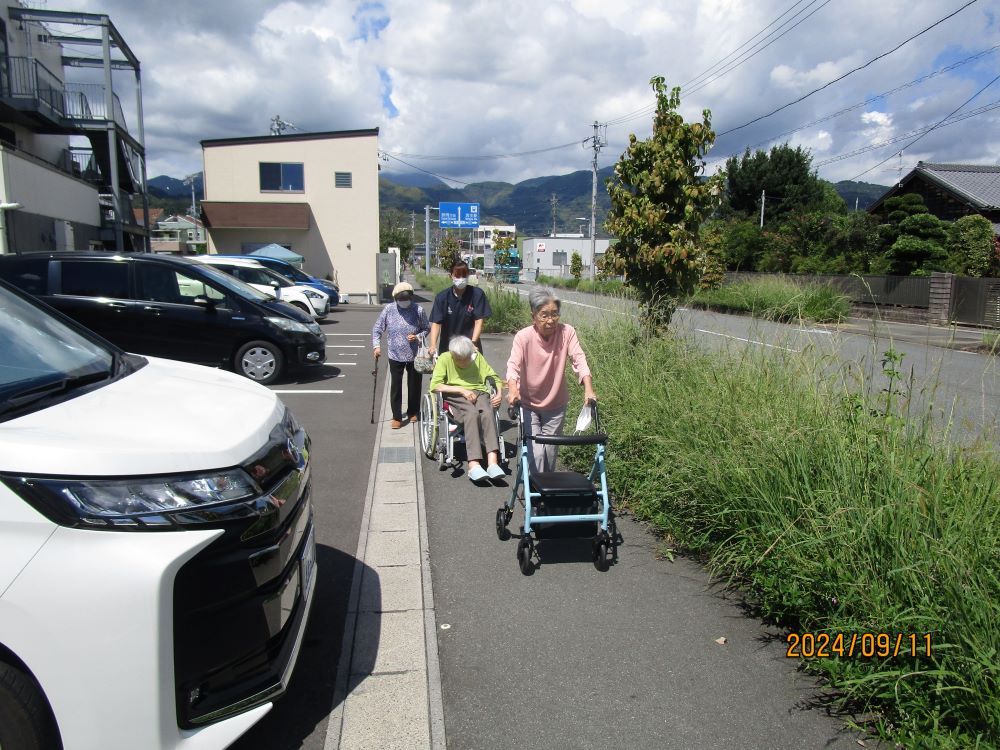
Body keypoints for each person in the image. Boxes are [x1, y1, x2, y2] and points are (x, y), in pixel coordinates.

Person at [505, 287, 597, 473]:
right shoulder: (523, 337)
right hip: (528, 404)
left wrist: (588, 388)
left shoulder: (567, 332)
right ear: (533, 316)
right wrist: (513, 388)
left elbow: (579, 359)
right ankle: (536, 492)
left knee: (549, 453)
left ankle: (543, 495)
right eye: (544, 315)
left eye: (555, 314)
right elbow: (513, 365)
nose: (550, 320)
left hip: (556, 405)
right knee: (536, 452)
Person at [429, 335, 505, 483]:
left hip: (479, 391)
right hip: (455, 395)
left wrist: (499, 394)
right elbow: (435, 385)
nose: (463, 362)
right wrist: (461, 390)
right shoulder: (445, 358)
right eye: (459, 358)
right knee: (471, 413)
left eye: (466, 358)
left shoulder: (477, 358)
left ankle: (492, 461)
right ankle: (474, 464)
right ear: (453, 354)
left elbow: (493, 377)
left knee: (488, 413)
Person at [372, 282, 430, 429]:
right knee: (396, 386)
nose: (404, 301)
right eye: (401, 298)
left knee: (414, 385)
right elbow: (377, 328)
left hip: (414, 354)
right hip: (395, 354)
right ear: (396, 298)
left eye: (407, 298)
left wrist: (417, 336)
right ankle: (397, 416)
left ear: (411, 297)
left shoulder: (418, 310)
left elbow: (426, 328)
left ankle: (412, 412)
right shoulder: (389, 309)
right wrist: (376, 346)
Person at [428, 260, 491, 355]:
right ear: (451, 276)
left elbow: (479, 321)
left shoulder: (477, 294)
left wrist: (473, 342)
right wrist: (433, 345)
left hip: (470, 347)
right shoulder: (442, 298)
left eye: (464, 275)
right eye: (457, 275)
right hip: (448, 348)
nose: (461, 279)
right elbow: (436, 323)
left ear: (468, 275)